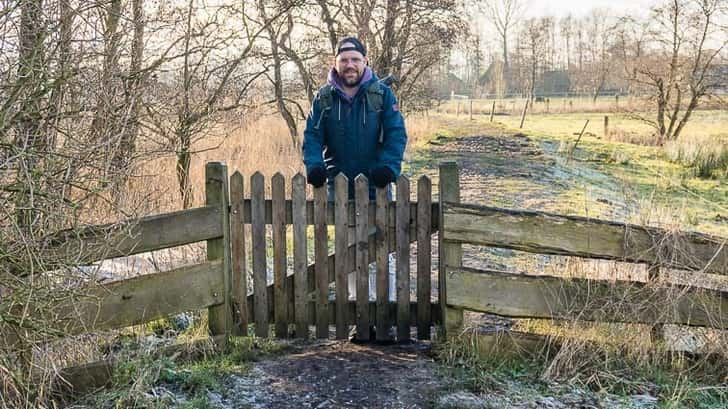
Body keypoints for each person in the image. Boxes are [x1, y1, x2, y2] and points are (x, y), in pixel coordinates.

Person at [302, 36, 407, 199]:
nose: (350, 65)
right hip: (336, 188)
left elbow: (396, 133)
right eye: (344, 60)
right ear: (334, 63)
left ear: (365, 61)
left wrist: (388, 167)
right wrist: (314, 165)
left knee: (378, 226)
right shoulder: (324, 98)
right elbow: (312, 136)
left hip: (376, 187)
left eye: (355, 59)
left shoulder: (382, 95)